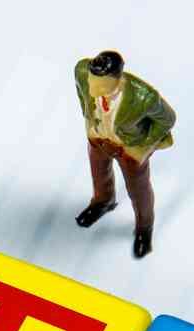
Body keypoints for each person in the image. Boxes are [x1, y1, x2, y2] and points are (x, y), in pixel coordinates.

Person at [74, 50, 176, 258]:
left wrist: (144, 144)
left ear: (117, 81)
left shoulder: (144, 98)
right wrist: (89, 115)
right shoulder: (83, 71)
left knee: (138, 190)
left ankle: (144, 228)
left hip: (128, 148)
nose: (93, 90)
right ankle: (103, 202)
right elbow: (81, 88)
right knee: (99, 174)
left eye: (101, 87)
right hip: (98, 138)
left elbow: (168, 119)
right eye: (92, 84)